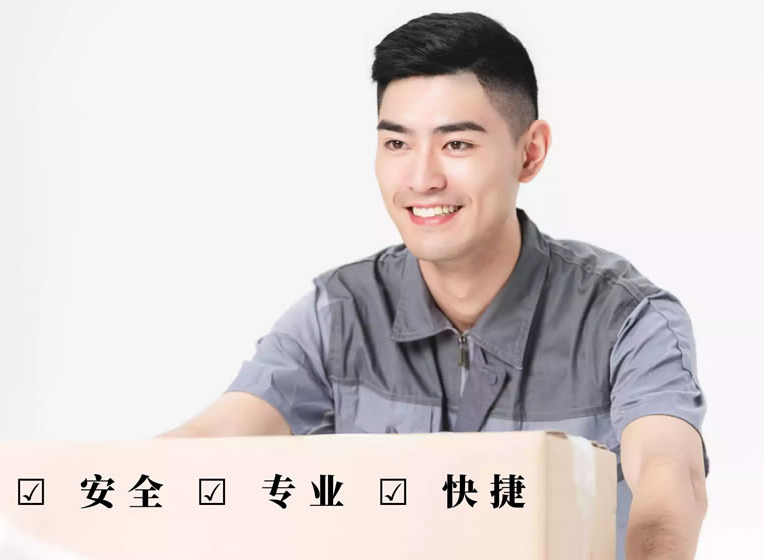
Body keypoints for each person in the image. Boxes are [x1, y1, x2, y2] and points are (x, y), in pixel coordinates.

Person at [160, 12, 709, 559]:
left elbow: (669, 474)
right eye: (397, 144)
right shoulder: (340, 314)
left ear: (530, 152)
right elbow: (207, 444)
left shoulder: (625, 320)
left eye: (457, 144)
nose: (421, 180)